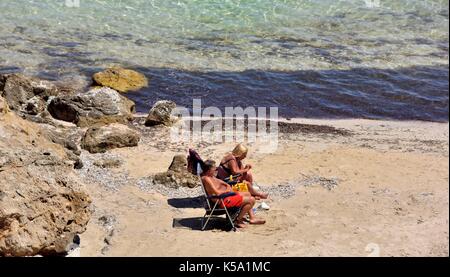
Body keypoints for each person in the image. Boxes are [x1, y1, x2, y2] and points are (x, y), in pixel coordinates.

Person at [201, 160, 266, 228]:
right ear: (208, 170)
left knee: (247, 194)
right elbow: (217, 193)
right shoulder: (206, 179)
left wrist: (228, 187)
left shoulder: (211, 177)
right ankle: (237, 220)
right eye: (214, 168)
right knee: (251, 200)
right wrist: (227, 190)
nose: (216, 169)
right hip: (221, 201)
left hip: (225, 197)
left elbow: (223, 182)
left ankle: (252, 218)